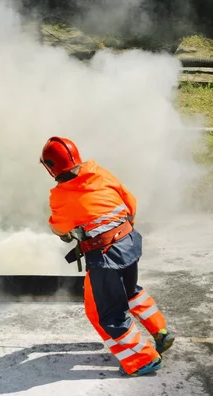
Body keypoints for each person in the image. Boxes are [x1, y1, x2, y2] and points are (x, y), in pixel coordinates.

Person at [39, 136, 175, 377]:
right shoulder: (100, 173)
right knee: (130, 291)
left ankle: (143, 360)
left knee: (105, 313)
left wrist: (67, 233)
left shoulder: (61, 196)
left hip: (105, 259)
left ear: (50, 168)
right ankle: (160, 331)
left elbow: (59, 227)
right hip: (129, 243)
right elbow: (129, 203)